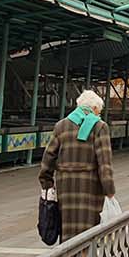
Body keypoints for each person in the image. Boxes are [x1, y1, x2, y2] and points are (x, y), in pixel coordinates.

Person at [39, 90, 118, 240]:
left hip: (65, 189)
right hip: (91, 190)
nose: (99, 115)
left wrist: (47, 183)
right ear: (94, 109)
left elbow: (48, 158)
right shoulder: (100, 127)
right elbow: (104, 164)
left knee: (67, 234)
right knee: (88, 236)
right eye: (99, 112)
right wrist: (110, 190)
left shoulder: (61, 126)